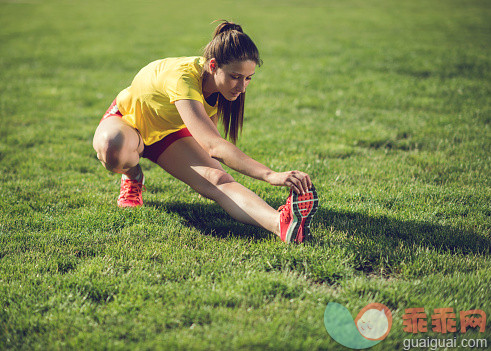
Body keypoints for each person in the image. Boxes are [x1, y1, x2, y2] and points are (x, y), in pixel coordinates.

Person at [92, 21, 318, 243]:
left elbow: (210, 144)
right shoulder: (183, 79)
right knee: (113, 147)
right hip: (130, 123)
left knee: (218, 180)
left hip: (169, 132)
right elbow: (213, 146)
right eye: (235, 77)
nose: (242, 87)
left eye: (248, 78)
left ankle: (282, 225)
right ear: (212, 66)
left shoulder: (222, 89)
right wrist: (271, 175)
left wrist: (207, 176)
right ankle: (133, 176)